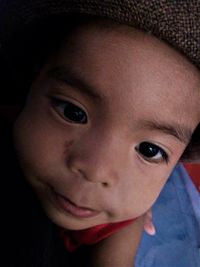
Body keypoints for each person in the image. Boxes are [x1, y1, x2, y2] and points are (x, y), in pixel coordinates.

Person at [0, 1, 199, 266]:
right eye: (73, 113)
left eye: (149, 150)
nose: (97, 171)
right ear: (34, 80)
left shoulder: (122, 225)